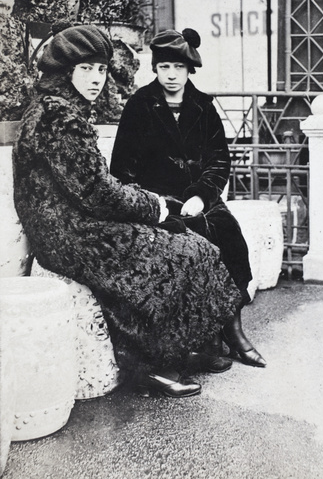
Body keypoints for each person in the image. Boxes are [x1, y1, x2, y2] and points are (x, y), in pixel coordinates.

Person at [13, 23, 244, 399]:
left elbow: (94, 188)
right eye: (86, 69)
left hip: (80, 221)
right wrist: (154, 206)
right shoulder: (58, 116)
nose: (96, 79)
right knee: (173, 252)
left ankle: (180, 350)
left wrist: (153, 207)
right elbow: (96, 192)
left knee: (192, 244)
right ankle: (149, 367)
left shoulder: (64, 109)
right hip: (68, 233)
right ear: (65, 70)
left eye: (101, 69)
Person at [111, 28, 266, 368]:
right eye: (164, 66)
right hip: (160, 203)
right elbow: (122, 169)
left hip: (201, 198)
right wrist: (152, 202)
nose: (171, 74)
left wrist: (202, 193)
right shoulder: (140, 106)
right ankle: (206, 335)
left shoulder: (203, 106)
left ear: (188, 70)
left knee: (231, 239)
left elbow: (219, 160)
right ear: (156, 68)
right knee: (195, 245)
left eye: (178, 68)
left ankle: (232, 329)